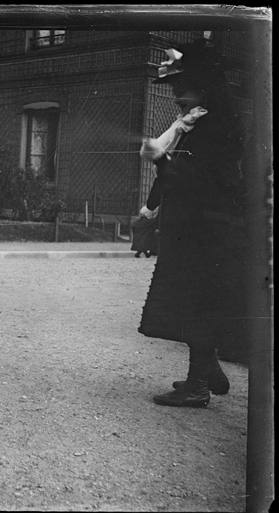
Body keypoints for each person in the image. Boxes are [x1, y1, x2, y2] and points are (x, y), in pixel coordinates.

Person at [138, 38, 248, 408]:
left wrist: (160, 160)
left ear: (205, 87)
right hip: (196, 228)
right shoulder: (197, 123)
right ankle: (205, 370)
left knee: (199, 305)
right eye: (174, 89)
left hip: (210, 231)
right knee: (193, 304)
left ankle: (198, 386)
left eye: (182, 88)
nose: (176, 97)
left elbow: (195, 179)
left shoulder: (215, 128)